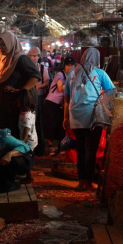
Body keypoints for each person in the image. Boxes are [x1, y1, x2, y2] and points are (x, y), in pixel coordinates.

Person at [63, 48, 116, 191]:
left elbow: (66, 97)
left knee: (80, 149)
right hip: (93, 115)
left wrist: (65, 117)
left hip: (75, 114)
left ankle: (81, 181)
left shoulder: (72, 73)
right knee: (90, 150)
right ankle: (89, 182)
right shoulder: (100, 73)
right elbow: (112, 93)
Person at [0, 31, 41, 139]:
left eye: (4, 44)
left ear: (11, 43)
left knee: (17, 132)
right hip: (9, 104)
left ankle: (18, 154)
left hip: (18, 105)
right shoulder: (6, 60)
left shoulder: (21, 58)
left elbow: (35, 76)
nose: (1, 48)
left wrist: (21, 91)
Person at [44, 56, 75, 155]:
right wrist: (74, 83)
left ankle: (60, 147)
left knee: (59, 126)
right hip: (51, 103)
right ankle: (51, 147)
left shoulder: (71, 76)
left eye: (71, 65)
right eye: (67, 65)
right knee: (51, 125)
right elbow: (60, 88)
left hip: (60, 105)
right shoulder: (60, 75)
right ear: (64, 66)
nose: (69, 67)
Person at [26, 47, 48, 154]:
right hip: (28, 98)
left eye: (36, 56)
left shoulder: (42, 68)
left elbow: (47, 81)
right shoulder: (25, 67)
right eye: (32, 56)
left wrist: (39, 87)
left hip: (38, 97)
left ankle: (39, 147)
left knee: (37, 122)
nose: (34, 58)